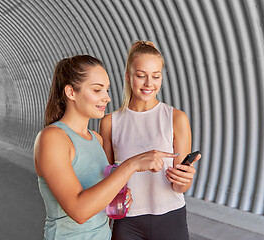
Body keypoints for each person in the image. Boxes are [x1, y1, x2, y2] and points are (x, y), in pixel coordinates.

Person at [34, 55, 178, 240]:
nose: (107, 98)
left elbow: (97, 199)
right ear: (71, 93)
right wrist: (131, 165)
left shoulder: (97, 139)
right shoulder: (53, 138)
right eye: (97, 90)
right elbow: (79, 211)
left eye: (107, 90)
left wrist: (118, 195)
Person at [99, 41, 201, 240]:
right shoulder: (110, 123)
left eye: (156, 76)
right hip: (127, 222)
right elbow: (107, 179)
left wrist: (184, 180)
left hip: (171, 218)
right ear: (128, 77)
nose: (149, 84)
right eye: (141, 76)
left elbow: (179, 188)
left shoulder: (176, 118)